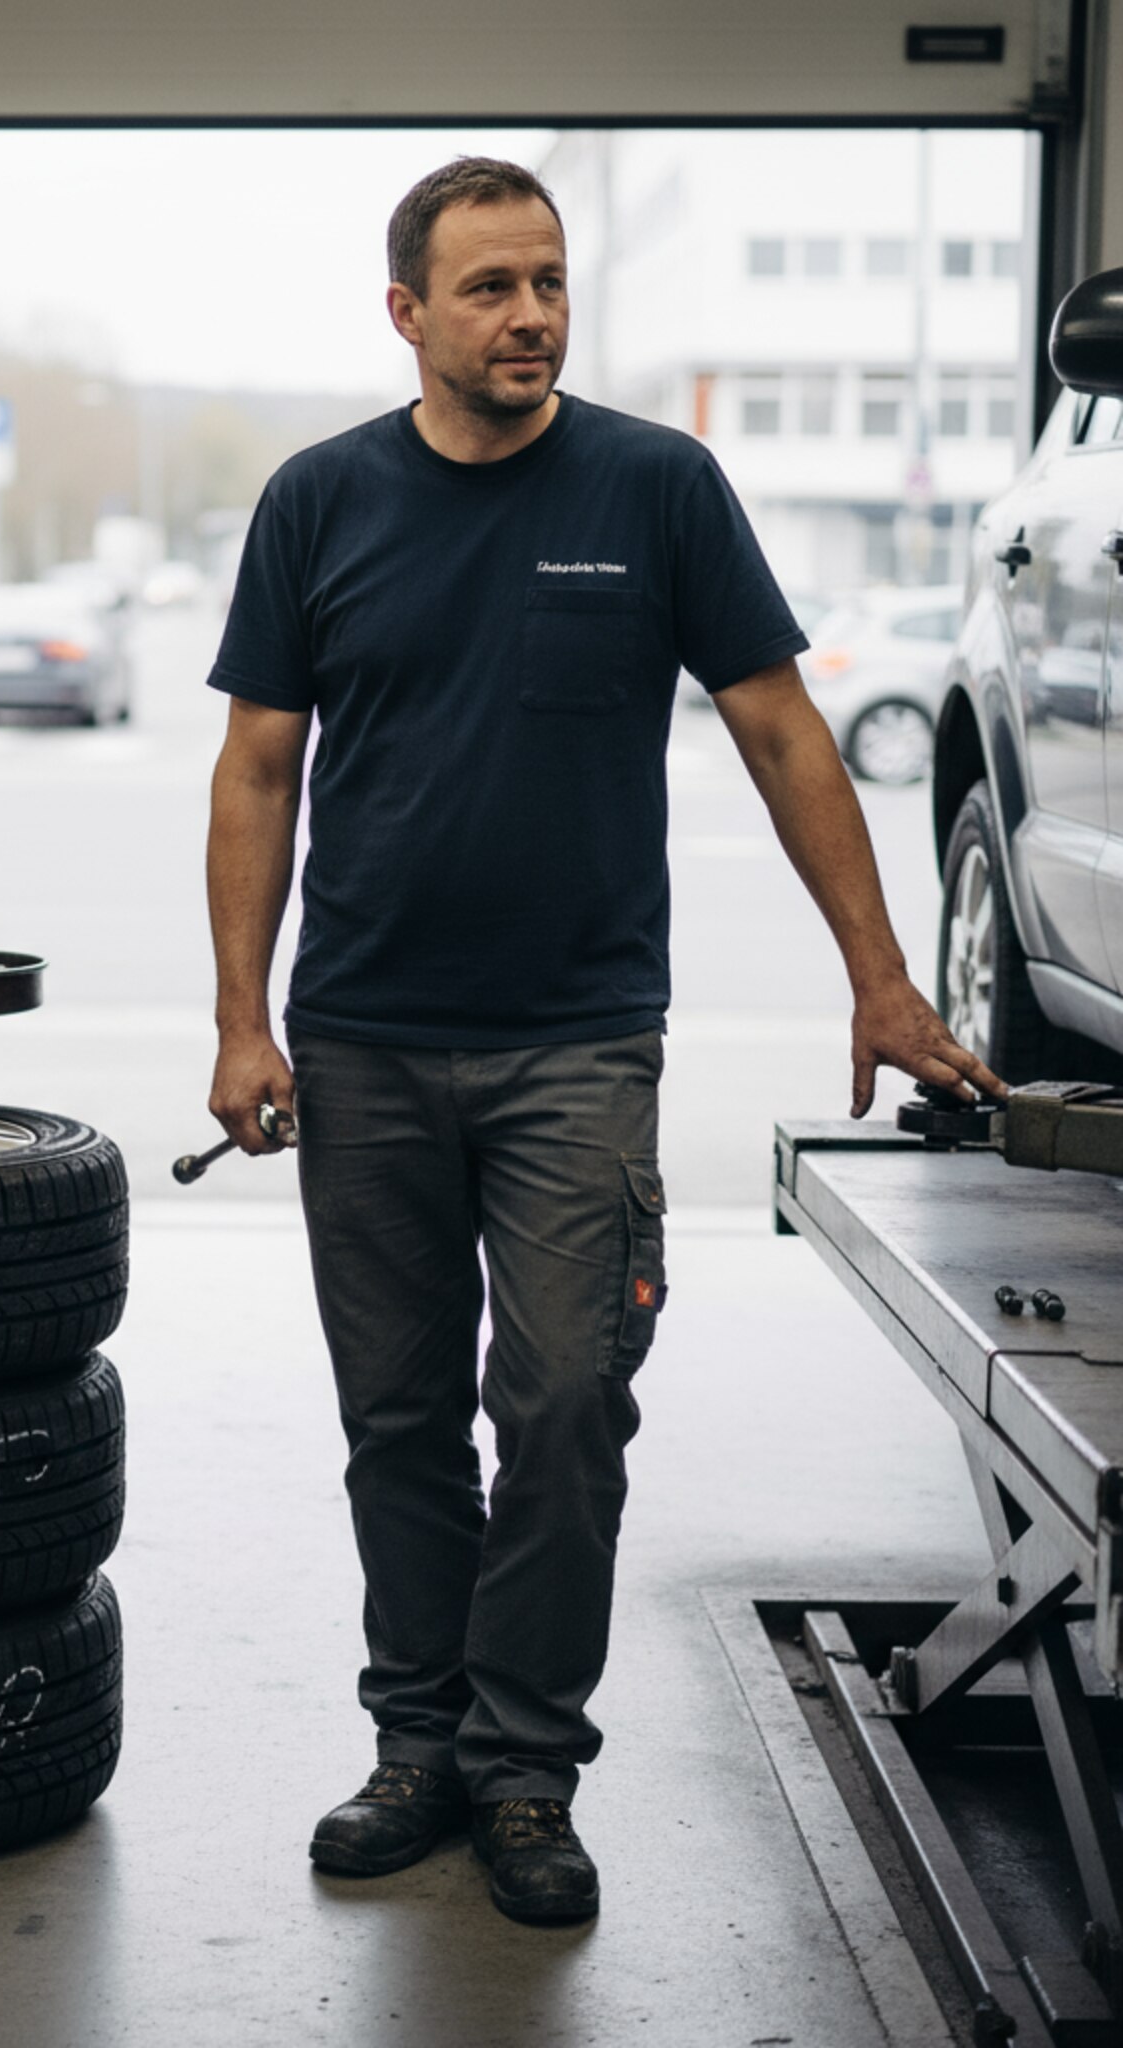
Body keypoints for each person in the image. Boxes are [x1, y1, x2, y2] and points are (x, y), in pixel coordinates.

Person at [202, 155, 1004, 1926]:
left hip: (578, 1044)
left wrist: (881, 976)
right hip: (364, 1044)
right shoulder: (318, 502)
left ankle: (523, 1766)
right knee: (397, 1417)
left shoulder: (657, 487)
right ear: (408, 313)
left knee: (566, 1406)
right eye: (490, 287)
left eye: (551, 281)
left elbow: (788, 734)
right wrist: (241, 1019)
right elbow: (261, 764)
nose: (533, 315)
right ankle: (415, 1745)